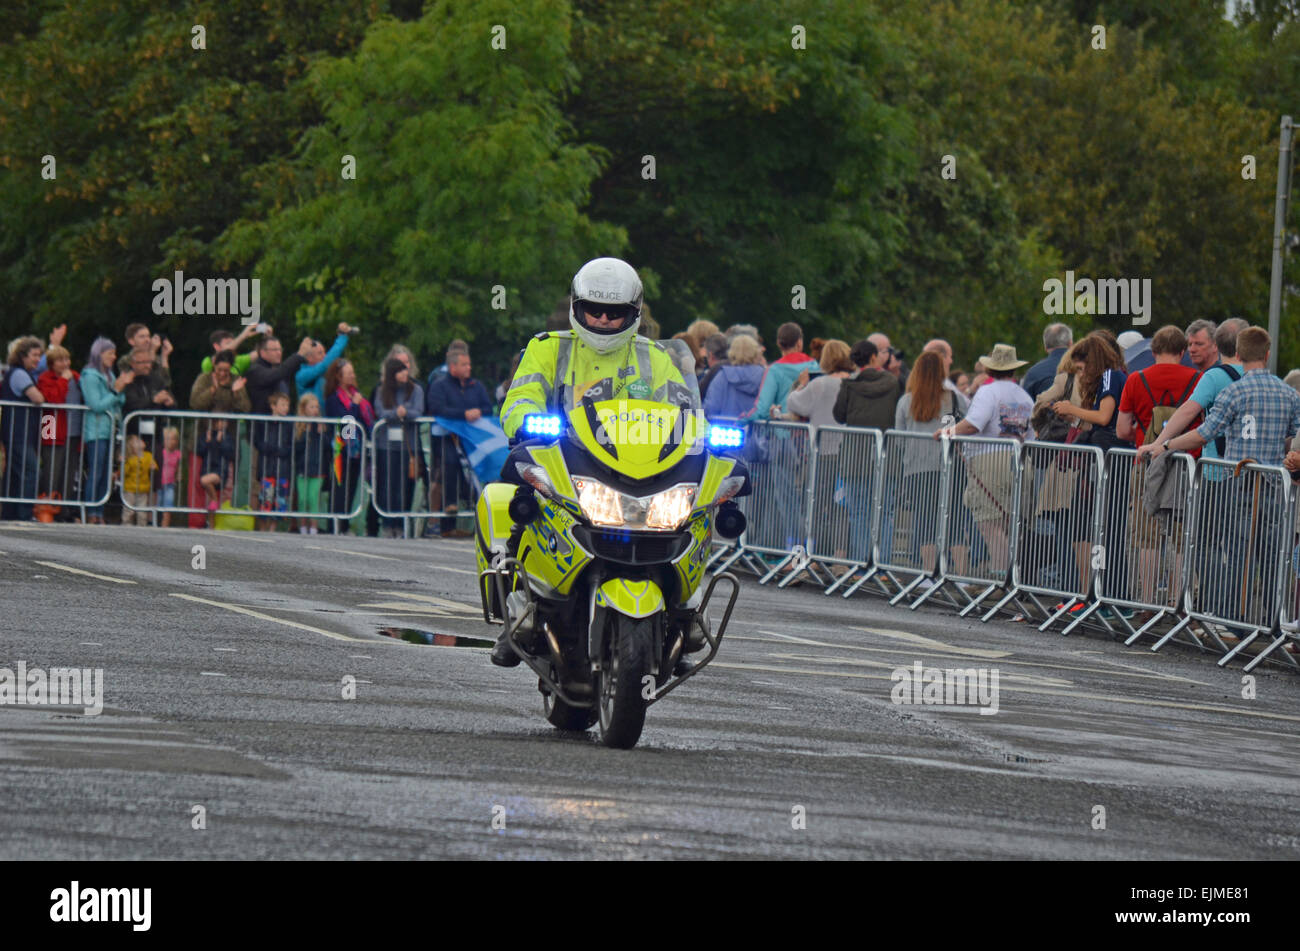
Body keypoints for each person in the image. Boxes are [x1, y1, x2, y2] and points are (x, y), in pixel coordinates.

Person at [496, 256, 695, 666]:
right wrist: (525, 424)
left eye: (616, 313)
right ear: (577, 306)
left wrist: (702, 436)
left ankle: (683, 616)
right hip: (567, 460)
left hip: (640, 469)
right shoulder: (549, 349)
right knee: (523, 504)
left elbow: (684, 406)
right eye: (594, 310)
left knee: (697, 513)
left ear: (634, 313)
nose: (604, 320)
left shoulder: (653, 357)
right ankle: (517, 615)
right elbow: (520, 398)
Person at [1157, 328, 1300, 619]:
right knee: (1272, 554)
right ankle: (1274, 619)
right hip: (1274, 484)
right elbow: (1293, 436)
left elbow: (1204, 433)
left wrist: (1167, 444)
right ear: (1268, 354)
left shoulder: (1232, 391)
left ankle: (1233, 619)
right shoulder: (1288, 393)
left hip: (1238, 481)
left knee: (1237, 551)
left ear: (1239, 354)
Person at [933, 344, 1033, 583]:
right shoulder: (1023, 395)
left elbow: (973, 424)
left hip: (990, 459)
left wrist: (947, 431)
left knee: (989, 521)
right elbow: (1032, 434)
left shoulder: (988, 392)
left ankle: (1001, 578)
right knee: (1008, 522)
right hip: (1019, 458)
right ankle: (1010, 576)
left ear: (990, 369)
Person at [894, 350, 970, 581]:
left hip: (917, 468)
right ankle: (962, 577)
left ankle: (929, 576)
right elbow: (967, 427)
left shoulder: (906, 401)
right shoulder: (955, 399)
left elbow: (898, 438)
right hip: (950, 467)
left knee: (925, 522)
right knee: (955, 522)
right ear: (942, 372)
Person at [1117, 325, 1200, 448]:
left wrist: (1145, 435)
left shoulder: (1135, 379)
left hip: (1147, 457)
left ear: (1153, 353)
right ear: (1182, 353)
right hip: (1187, 459)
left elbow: (1122, 431)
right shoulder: (1198, 379)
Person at [373, 356, 425, 537]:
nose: (405, 373)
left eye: (406, 369)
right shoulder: (382, 390)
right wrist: (397, 413)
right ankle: (388, 523)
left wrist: (405, 413)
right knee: (388, 485)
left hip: (406, 446)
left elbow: (418, 411)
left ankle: (401, 523)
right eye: (401, 370)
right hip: (385, 446)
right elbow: (380, 411)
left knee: (404, 486)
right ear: (392, 373)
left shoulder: (416, 389)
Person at [79, 337, 128, 525]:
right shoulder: (90, 376)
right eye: (110, 353)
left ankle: (99, 511)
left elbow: (119, 401)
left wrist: (119, 389)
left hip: (110, 431)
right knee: (96, 472)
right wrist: (116, 391)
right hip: (96, 430)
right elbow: (97, 405)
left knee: (106, 474)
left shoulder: (109, 375)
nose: (114, 357)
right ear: (99, 354)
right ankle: (91, 511)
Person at [323, 358, 373, 535]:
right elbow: (345, 424)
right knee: (339, 488)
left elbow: (363, 420)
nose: (352, 376)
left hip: (356, 451)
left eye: (353, 372)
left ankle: (344, 524)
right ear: (338, 376)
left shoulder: (355, 393)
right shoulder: (334, 399)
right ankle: (334, 525)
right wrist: (354, 406)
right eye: (348, 373)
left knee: (351, 488)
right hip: (340, 450)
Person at [1, 336, 46, 520]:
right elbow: (38, 398)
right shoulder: (20, 374)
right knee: (31, 470)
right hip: (17, 432)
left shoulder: (21, 373)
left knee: (15, 474)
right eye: (34, 355)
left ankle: (11, 513)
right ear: (22, 356)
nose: (37, 359)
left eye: (39, 355)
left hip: (19, 432)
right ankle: (25, 514)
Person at [737, 322, 818, 422]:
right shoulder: (815, 367)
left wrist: (743, 419)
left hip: (783, 431)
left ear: (779, 344)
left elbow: (762, 408)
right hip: (810, 432)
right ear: (799, 343)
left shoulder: (774, 370)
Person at [35, 344, 81, 514]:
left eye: (67, 359)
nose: (65, 363)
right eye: (60, 360)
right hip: (52, 429)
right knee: (52, 471)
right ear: (52, 364)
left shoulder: (76, 377)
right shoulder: (45, 378)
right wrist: (63, 380)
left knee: (69, 473)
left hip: (73, 431)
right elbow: (53, 399)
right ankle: (46, 507)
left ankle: (65, 510)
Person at [832, 339, 901, 430]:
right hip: (882, 440)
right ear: (873, 357)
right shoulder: (892, 381)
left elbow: (839, 417)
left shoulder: (849, 384)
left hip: (854, 441)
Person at [254, 391, 294, 531]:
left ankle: (273, 529)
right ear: (273, 406)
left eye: (287, 405)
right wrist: (272, 448)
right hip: (267, 468)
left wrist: (282, 450)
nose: (285, 408)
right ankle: (263, 529)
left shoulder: (289, 424)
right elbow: (258, 442)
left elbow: (290, 445)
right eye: (282, 405)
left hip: (282, 469)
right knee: (266, 500)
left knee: (280, 501)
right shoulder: (265, 423)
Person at [245, 335, 311, 416]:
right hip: (262, 425)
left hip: (282, 424)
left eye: (280, 349)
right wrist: (299, 355)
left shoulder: (279, 370)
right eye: (275, 350)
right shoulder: (255, 370)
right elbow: (275, 375)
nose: (279, 352)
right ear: (262, 352)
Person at [703, 334, 765, 419]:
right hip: (759, 430)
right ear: (756, 353)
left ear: (732, 353)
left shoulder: (723, 376)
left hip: (726, 428)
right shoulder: (766, 376)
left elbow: (711, 408)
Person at [293, 394, 330, 534]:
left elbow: (328, 446)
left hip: (318, 468)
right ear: (304, 409)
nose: (315, 410)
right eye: (312, 407)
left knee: (313, 498)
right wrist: (306, 432)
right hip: (302, 468)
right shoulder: (299, 425)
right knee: (302, 499)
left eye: (316, 407)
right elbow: (296, 447)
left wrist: (321, 433)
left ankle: (314, 527)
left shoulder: (322, 425)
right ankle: (302, 526)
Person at [121, 347, 177, 434]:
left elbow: (172, 400)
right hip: (133, 433)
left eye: (149, 362)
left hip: (156, 433)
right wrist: (153, 401)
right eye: (142, 362)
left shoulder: (157, 379)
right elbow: (131, 403)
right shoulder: (127, 380)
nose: (147, 366)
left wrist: (170, 402)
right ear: (132, 363)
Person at [295, 323, 352, 404]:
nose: (325, 356)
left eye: (324, 352)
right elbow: (324, 365)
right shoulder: (301, 375)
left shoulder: (323, 371)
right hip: (312, 417)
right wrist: (342, 338)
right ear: (309, 358)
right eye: (320, 353)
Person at [1021, 324, 1074, 400]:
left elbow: (1025, 406)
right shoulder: (1086, 368)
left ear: (1045, 347)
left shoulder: (1033, 373)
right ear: (1070, 343)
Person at [190, 351, 252, 415]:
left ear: (231, 368)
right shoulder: (204, 378)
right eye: (219, 370)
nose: (222, 374)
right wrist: (212, 390)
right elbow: (194, 403)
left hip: (229, 423)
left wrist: (235, 393)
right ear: (214, 365)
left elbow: (246, 408)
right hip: (206, 423)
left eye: (226, 371)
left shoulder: (235, 380)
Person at [198, 417, 236, 520]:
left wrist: (220, 442)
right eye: (218, 421)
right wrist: (208, 441)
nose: (221, 423)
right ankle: (211, 526)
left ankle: (215, 500)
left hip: (220, 471)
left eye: (224, 421)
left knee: (204, 481)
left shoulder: (227, 437)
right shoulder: (207, 434)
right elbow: (200, 451)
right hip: (207, 469)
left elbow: (230, 453)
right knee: (210, 503)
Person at [922, 338, 971, 414]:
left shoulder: (914, 386)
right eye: (950, 356)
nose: (951, 361)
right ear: (941, 358)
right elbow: (967, 408)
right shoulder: (944, 386)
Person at [119, 434, 156, 526]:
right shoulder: (130, 458)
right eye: (136, 441)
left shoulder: (148, 455)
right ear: (131, 447)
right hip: (129, 489)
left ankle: (142, 526)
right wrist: (124, 463)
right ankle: (126, 525)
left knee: (142, 511)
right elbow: (124, 472)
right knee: (128, 511)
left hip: (143, 489)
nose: (140, 440)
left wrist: (153, 467)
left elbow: (154, 465)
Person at [158, 426, 182, 528]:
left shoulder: (178, 453)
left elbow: (178, 466)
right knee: (157, 506)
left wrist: (179, 474)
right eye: (168, 439)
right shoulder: (161, 452)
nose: (171, 441)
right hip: (159, 484)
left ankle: (165, 528)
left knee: (168, 507)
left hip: (170, 484)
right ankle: (153, 526)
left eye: (173, 439)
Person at [697, 333, 730, 400]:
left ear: (711, 356)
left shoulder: (709, 375)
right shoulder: (739, 368)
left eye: (706, 356)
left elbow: (697, 397)